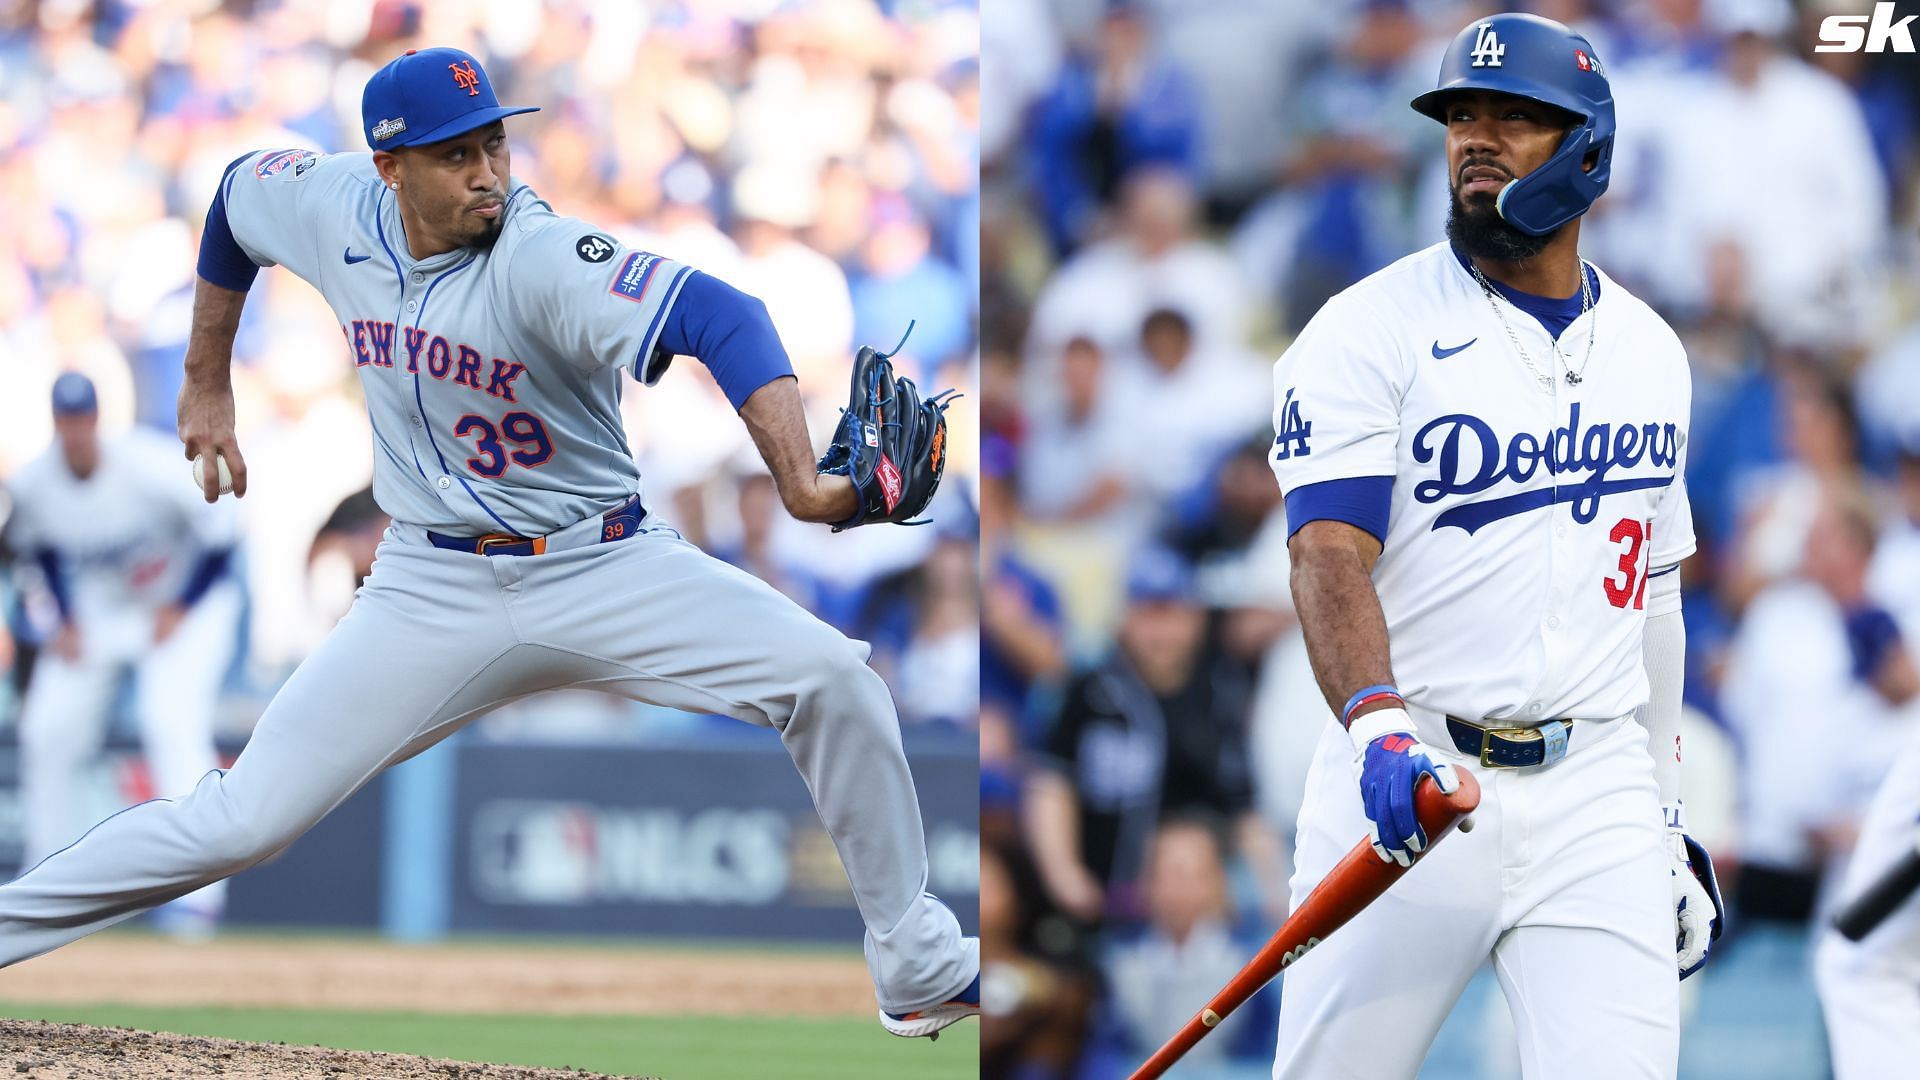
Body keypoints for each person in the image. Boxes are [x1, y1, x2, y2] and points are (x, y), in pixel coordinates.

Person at [0, 48, 977, 1039]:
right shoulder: (333, 205)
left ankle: (917, 965)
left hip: (606, 564)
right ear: (391, 169)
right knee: (243, 820)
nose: (487, 173)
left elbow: (724, 315)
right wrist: (205, 376)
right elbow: (232, 202)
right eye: (454, 154)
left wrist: (803, 479)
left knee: (833, 678)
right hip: (430, 587)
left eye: (495, 143)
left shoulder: (542, 256)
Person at [1263, 15, 1719, 1078]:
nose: (1478, 137)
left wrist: (1659, 813)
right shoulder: (1363, 328)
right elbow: (1327, 554)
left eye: (1517, 117)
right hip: (1417, 766)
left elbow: (1653, 596)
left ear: (1588, 147)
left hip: (1594, 781)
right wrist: (1377, 727)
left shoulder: (1652, 349)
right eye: (1463, 114)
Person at [5, 373, 240, 939]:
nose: (76, 431)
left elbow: (224, 532)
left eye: (83, 419)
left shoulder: (147, 464)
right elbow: (34, 553)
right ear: (57, 424)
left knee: (171, 723)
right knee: (48, 729)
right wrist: (58, 619)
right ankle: (46, 874)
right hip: (104, 610)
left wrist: (180, 606)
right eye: (67, 421)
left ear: (96, 420)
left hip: (187, 603)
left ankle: (197, 897)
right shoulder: (35, 483)